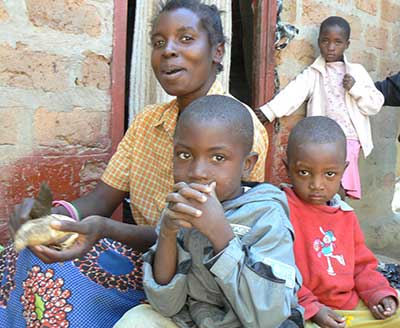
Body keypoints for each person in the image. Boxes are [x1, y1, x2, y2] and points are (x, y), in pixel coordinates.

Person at [1, 1, 269, 327]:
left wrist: (104, 230)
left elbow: (199, 244)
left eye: (185, 39)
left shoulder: (242, 133)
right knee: (26, 251)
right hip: (137, 255)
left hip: (191, 280)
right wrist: (53, 220)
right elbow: (101, 200)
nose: (168, 51)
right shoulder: (147, 122)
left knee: (54, 280)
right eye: (159, 42)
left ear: (217, 51)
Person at [114, 95, 303, 328]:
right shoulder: (179, 208)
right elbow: (166, 305)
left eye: (218, 157)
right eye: (185, 155)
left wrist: (220, 234)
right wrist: (167, 234)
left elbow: (269, 315)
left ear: (247, 164)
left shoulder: (267, 216)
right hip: (195, 320)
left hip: (255, 323)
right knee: (137, 320)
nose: (197, 171)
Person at [282, 116, 399, 328]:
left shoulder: (346, 215)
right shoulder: (280, 209)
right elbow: (275, 272)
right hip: (305, 311)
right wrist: (313, 309)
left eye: (329, 174)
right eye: (304, 172)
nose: (317, 184)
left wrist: (379, 294)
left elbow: (362, 267)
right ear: (287, 168)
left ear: (343, 172)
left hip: (347, 307)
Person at [255, 16, 384, 200]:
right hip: (321, 140)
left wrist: (355, 88)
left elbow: (375, 104)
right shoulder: (314, 73)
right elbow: (293, 93)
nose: (331, 47)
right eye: (325, 41)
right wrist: (269, 111)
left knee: (338, 183)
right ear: (319, 42)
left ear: (347, 44)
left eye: (337, 42)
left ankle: (338, 218)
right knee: (320, 181)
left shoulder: (357, 72)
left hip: (349, 139)